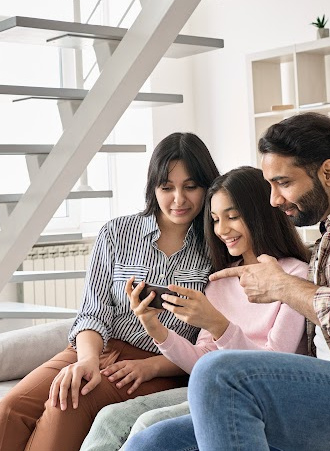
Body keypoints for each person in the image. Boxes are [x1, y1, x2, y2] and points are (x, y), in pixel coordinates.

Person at [124, 112, 330, 451]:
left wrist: (282, 286)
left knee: (219, 373)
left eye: (283, 183)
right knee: (155, 441)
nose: (274, 200)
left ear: (328, 173)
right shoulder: (326, 241)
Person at [0, 132, 220, 451]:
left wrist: (151, 367)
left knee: (69, 403)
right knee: (10, 410)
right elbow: (93, 311)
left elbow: (210, 342)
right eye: (167, 187)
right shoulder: (117, 233)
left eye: (191, 186)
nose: (178, 200)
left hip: (163, 363)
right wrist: (87, 360)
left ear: (207, 187)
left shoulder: (217, 248)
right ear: (153, 187)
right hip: (95, 348)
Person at [79, 166, 310, 451]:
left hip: (260, 399)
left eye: (233, 216)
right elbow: (200, 361)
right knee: (110, 418)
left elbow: (271, 370)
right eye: (215, 219)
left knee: (147, 425)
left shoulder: (294, 277)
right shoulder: (219, 282)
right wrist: (156, 329)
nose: (222, 230)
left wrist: (219, 326)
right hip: (211, 387)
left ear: (260, 213)